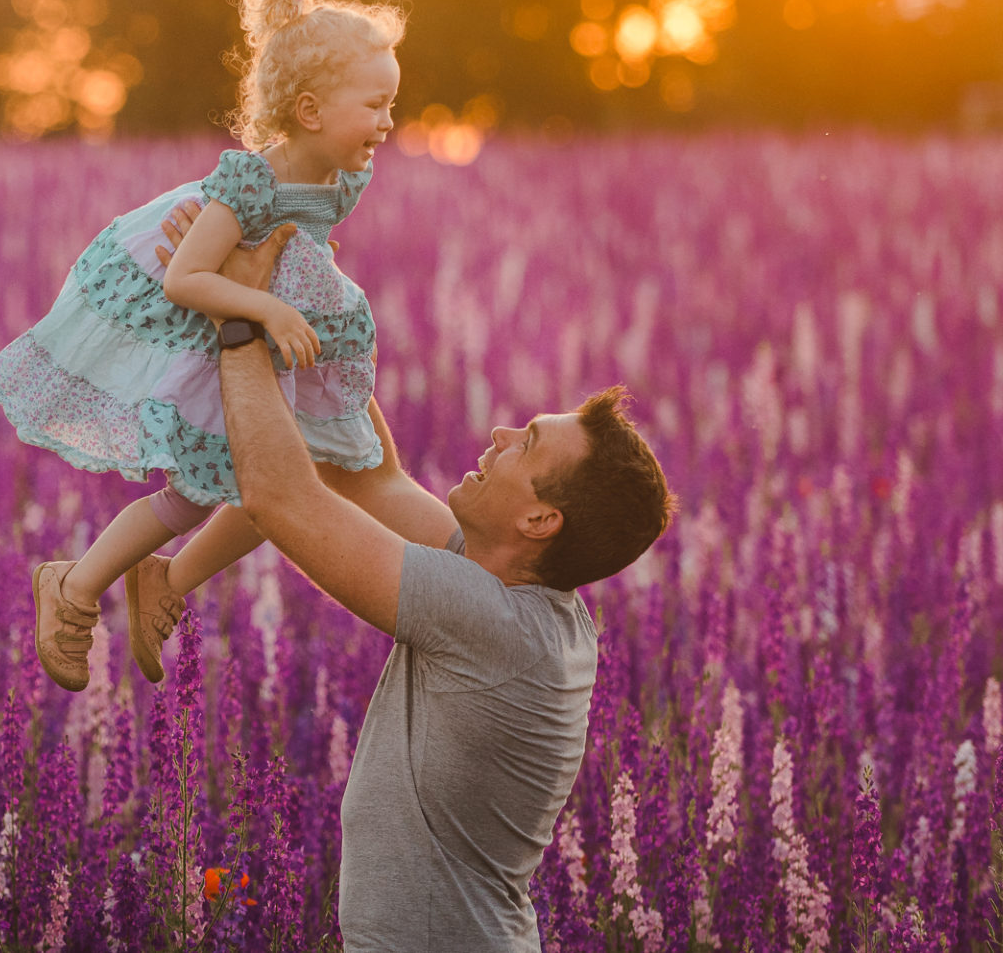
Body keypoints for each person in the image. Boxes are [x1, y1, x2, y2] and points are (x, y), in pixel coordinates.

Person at [154, 209, 678, 952]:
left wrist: (236, 317)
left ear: (539, 521)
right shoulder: (525, 596)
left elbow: (280, 496)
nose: (498, 435)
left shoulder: (492, 624)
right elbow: (368, 471)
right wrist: (309, 297)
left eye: (524, 444)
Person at [0, 0, 405, 690]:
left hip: (272, 338)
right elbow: (187, 278)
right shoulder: (248, 184)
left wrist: (301, 282)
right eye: (376, 104)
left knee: (278, 486)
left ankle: (168, 579)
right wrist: (268, 307)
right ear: (309, 110)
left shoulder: (341, 174)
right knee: (199, 489)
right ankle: (75, 587)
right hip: (222, 326)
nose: (390, 122)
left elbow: (304, 245)